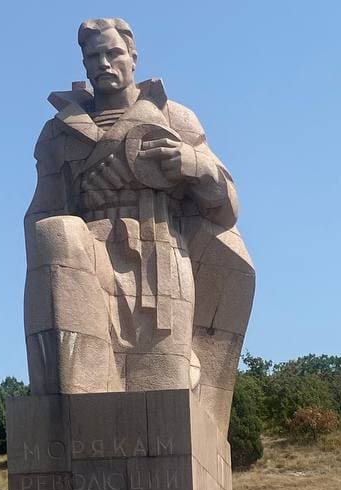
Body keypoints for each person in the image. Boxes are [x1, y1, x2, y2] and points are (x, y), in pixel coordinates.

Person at [24, 17, 254, 428]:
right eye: (93, 56)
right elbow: (43, 209)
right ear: (84, 63)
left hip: (158, 259)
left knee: (164, 400)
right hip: (86, 257)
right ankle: (78, 433)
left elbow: (227, 206)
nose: (103, 63)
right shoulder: (58, 133)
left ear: (133, 57)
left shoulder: (175, 117)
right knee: (82, 398)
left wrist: (193, 164)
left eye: (113, 53)